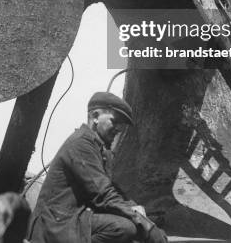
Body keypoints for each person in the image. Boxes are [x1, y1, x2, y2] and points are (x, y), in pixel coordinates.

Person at [28, 91, 167, 243]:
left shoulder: (97, 147)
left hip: (71, 218)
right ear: (95, 116)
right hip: (54, 224)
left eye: (121, 125)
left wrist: (136, 209)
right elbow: (103, 194)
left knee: (135, 223)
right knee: (123, 228)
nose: (119, 129)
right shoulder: (81, 144)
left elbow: (111, 188)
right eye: (115, 121)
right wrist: (147, 227)